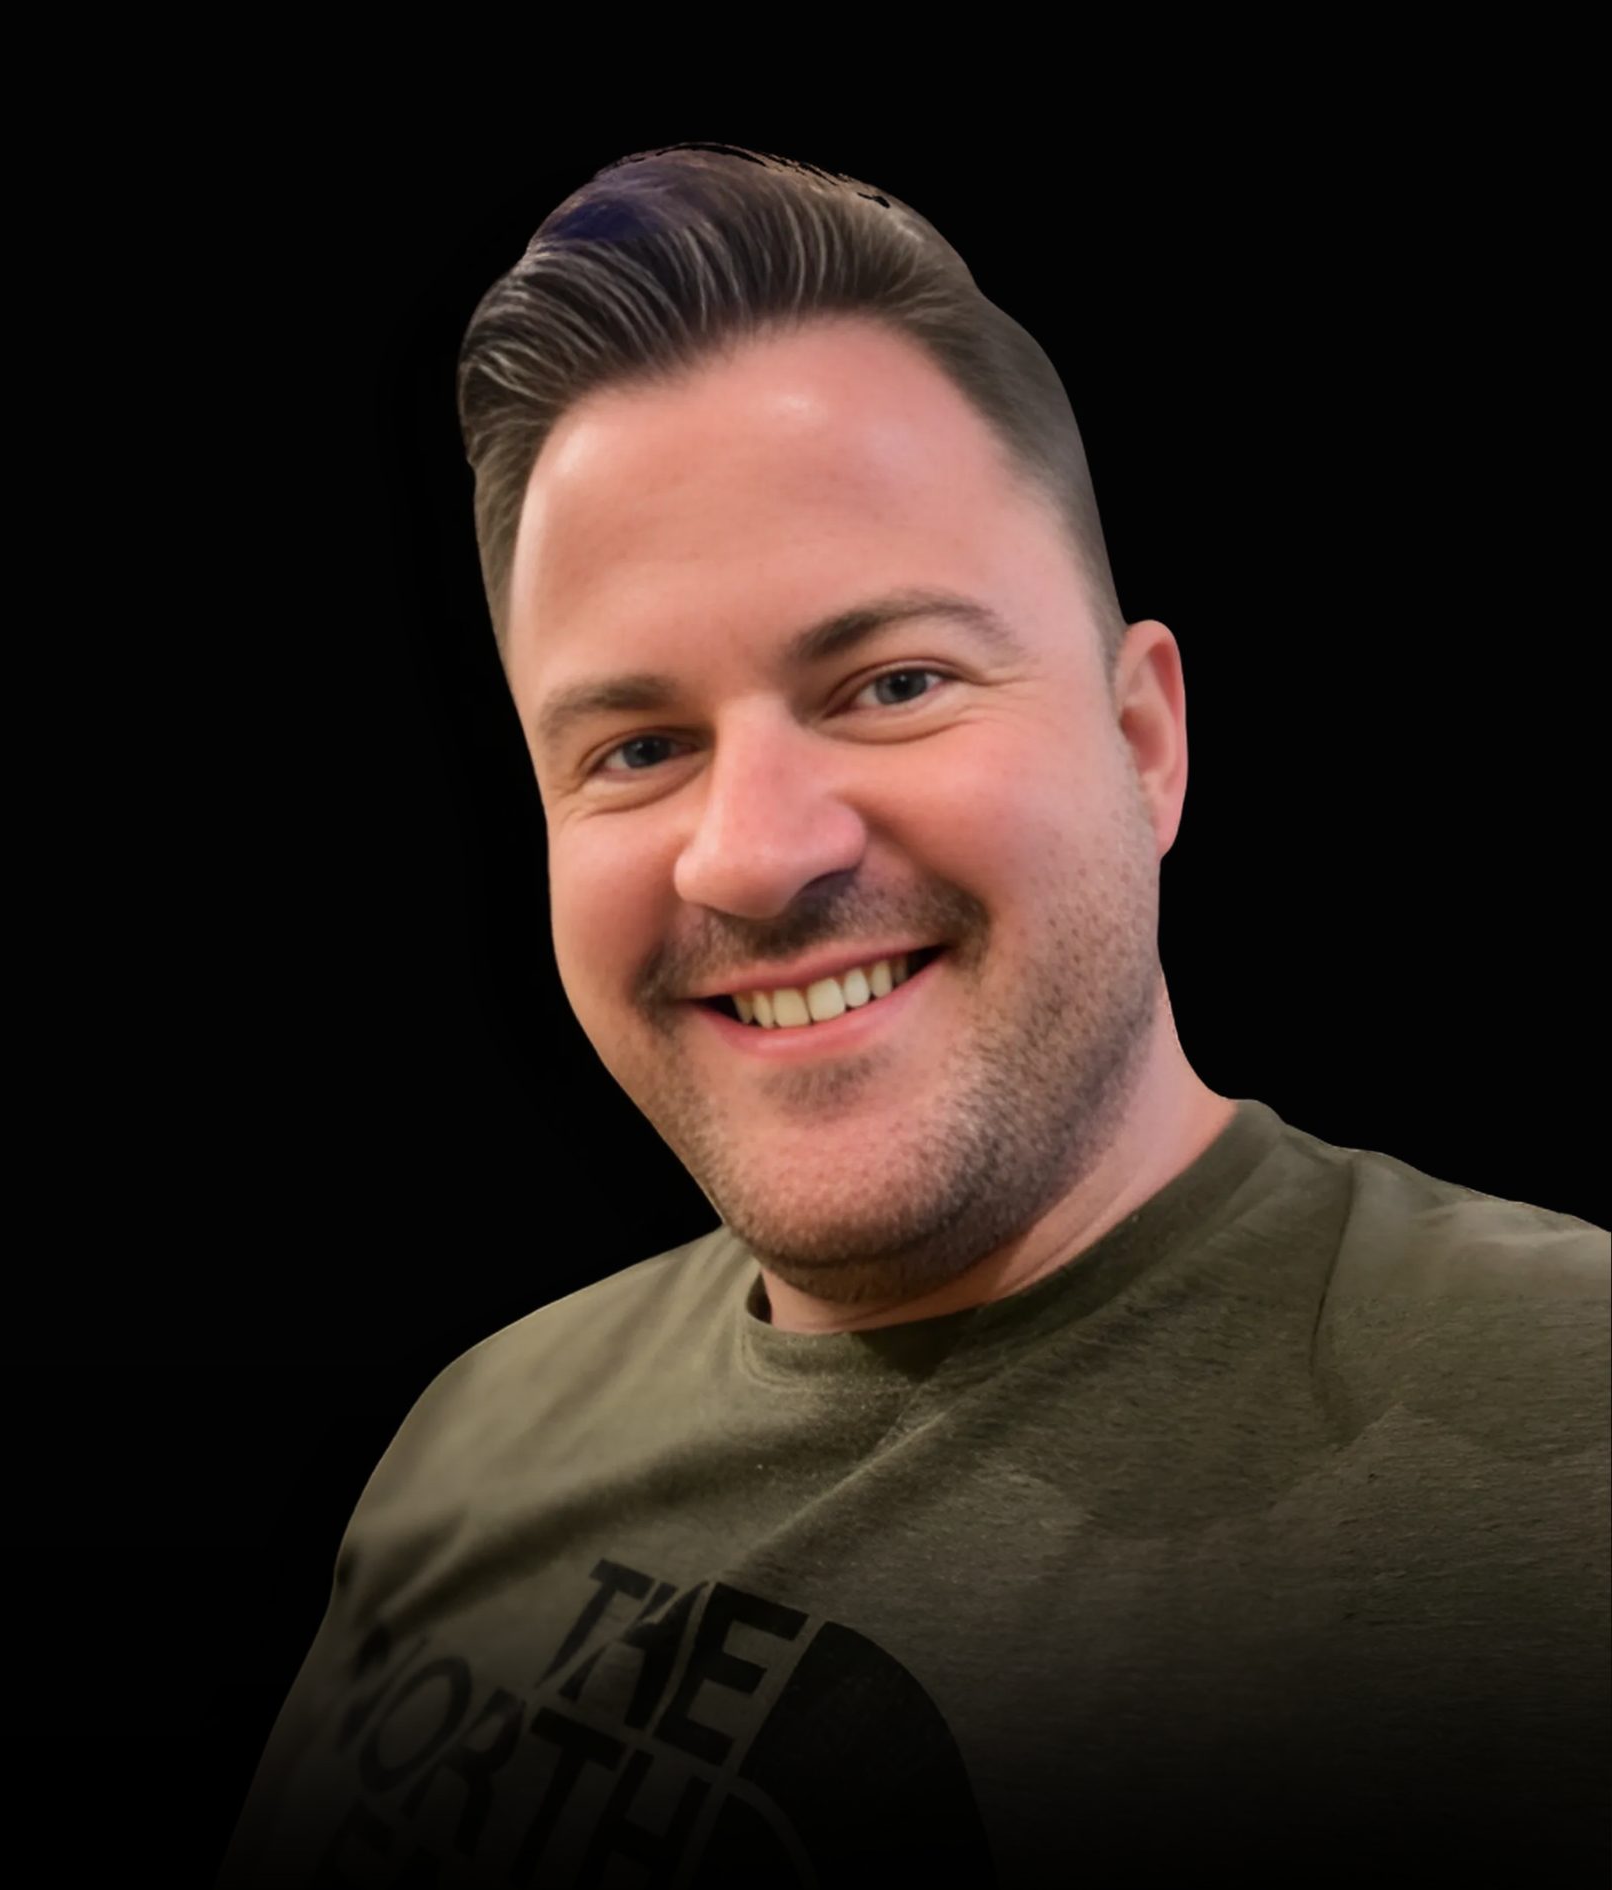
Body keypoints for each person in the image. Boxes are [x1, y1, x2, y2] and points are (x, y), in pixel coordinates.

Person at [216, 146, 1608, 1887]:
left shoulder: (1571, 1440)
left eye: (892, 682)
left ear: (1143, 742)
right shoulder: (470, 1441)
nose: (753, 852)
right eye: (636, 748)